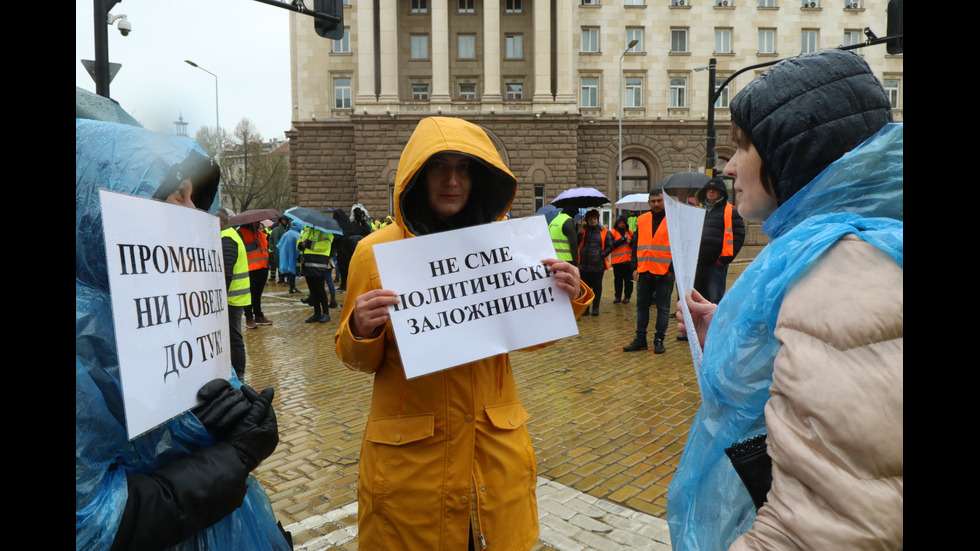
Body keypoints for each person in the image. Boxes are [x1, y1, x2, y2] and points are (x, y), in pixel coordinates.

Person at [667, 49, 902, 550]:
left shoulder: (840, 270)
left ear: (790, 153)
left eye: (743, 148)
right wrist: (743, 339)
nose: (728, 167)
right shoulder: (849, 247)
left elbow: (829, 527)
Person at [335, 116, 594, 550]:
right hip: (412, 467)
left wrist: (568, 296)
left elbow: (531, 334)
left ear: (479, 177)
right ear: (417, 175)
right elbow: (357, 359)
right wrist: (360, 328)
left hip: (494, 456)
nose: (452, 181)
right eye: (439, 167)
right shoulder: (373, 252)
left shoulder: (505, 246)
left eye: (464, 168)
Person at [76, 118, 287, 551]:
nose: (195, 213)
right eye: (178, 193)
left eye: (196, 195)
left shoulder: (168, 302)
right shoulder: (86, 335)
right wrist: (234, 456)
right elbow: (91, 526)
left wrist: (222, 418)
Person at [623, 188, 673, 354]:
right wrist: (634, 267)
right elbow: (636, 244)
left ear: (664, 201)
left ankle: (659, 340)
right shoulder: (642, 219)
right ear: (649, 202)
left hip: (665, 272)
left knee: (663, 308)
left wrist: (672, 270)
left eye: (659, 200)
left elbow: (680, 247)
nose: (656, 204)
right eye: (653, 201)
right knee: (641, 307)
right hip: (644, 270)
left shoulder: (673, 219)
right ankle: (640, 339)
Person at [692, 178, 745, 305]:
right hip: (697, 262)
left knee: (714, 299)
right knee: (697, 298)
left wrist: (724, 260)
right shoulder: (698, 210)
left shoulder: (731, 211)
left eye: (714, 189)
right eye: (708, 189)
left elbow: (739, 236)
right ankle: (697, 324)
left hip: (716, 264)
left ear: (721, 193)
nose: (710, 191)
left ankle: (713, 324)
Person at [220, 208, 251, 380]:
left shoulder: (227, 239)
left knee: (234, 339)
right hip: (234, 296)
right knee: (233, 337)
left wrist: (220, 300)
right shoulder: (230, 235)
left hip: (232, 298)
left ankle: (239, 376)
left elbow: (226, 273)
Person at [577, 209, 613, 316]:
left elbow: (610, 246)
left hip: (598, 265)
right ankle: (586, 308)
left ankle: (596, 307)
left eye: (595, 219)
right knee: (585, 289)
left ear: (598, 219)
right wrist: (579, 229)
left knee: (597, 287)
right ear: (587, 220)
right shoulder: (583, 230)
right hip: (584, 265)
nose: (593, 221)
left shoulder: (604, 231)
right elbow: (577, 242)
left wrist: (601, 255)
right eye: (591, 219)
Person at [238, 221, 273, 328]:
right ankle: (249, 318)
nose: (259, 223)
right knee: (249, 295)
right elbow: (240, 249)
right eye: (257, 222)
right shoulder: (240, 233)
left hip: (262, 268)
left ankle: (258, 315)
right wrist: (254, 245)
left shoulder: (261, 233)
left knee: (257, 295)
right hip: (250, 268)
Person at [297, 223, 334, 323]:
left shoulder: (325, 232)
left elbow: (324, 246)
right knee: (312, 290)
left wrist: (308, 244)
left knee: (320, 289)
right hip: (307, 263)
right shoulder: (306, 230)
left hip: (319, 264)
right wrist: (301, 244)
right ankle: (317, 313)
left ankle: (326, 313)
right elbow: (298, 243)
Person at [609, 216, 634, 304]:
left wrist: (631, 242)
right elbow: (611, 244)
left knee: (628, 280)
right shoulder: (612, 232)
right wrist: (623, 239)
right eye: (620, 223)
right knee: (618, 280)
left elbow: (636, 243)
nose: (622, 224)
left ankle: (627, 296)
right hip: (617, 261)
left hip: (628, 261)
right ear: (617, 223)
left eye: (623, 223)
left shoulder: (630, 232)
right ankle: (618, 296)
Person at [278, 219, 304, 293]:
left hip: (286, 255)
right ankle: (292, 287)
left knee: (290, 270)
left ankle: (291, 286)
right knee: (293, 271)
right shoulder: (298, 235)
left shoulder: (286, 234)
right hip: (295, 256)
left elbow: (280, 245)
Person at [269, 216, 290, 284]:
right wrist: (272, 247)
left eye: (285, 220)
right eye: (282, 220)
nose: (283, 221)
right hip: (278, 250)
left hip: (286, 250)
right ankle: (281, 278)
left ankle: (287, 278)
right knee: (279, 264)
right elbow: (271, 239)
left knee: (286, 264)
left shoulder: (288, 230)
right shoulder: (275, 230)